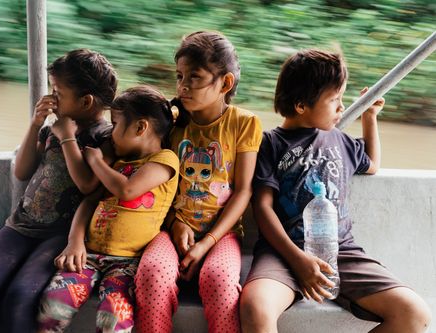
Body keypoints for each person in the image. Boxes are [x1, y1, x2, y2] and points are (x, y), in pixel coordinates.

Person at [239, 49, 432, 333]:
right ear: (302, 105)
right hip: (282, 252)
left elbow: (372, 164)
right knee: (255, 306)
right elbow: (262, 207)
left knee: (414, 314)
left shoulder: (339, 140)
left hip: (341, 250)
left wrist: (370, 117)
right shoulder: (270, 143)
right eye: (334, 100)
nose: (342, 108)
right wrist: (297, 258)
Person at [0, 49, 118, 333]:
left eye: (58, 92)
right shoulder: (50, 129)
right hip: (19, 226)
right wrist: (35, 125)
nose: (52, 99)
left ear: (86, 101)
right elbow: (22, 171)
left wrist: (68, 136)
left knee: (21, 296)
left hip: (60, 236)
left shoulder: (104, 137)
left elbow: (86, 185)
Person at [134, 31, 263, 333]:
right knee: (152, 274)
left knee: (219, 281)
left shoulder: (243, 124)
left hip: (222, 232)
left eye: (195, 77)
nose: (183, 86)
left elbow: (244, 191)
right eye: (179, 76)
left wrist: (207, 242)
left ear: (225, 83)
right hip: (171, 227)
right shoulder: (172, 123)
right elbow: (158, 184)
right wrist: (175, 224)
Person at [37, 85, 180, 333]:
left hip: (127, 262)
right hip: (89, 256)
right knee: (53, 305)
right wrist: (75, 242)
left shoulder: (165, 160)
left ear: (140, 127)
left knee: (113, 318)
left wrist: (95, 160)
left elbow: (127, 190)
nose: (111, 133)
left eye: (115, 125)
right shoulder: (118, 161)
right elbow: (89, 201)